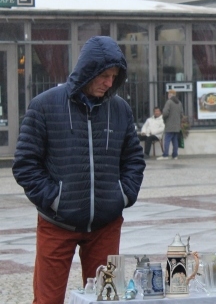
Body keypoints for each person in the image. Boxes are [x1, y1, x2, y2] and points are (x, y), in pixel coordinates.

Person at [12, 36, 146, 304]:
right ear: (88, 71)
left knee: (108, 299)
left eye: (114, 76)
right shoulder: (44, 105)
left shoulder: (120, 109)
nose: (109, 83)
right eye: (104, 75)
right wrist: (54, 199)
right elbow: (25, 164)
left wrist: (123, 195)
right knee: (47, 300)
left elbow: (133, 159)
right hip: (56, 223)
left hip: (106, 225)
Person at [158, 89, 184, 160]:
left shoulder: (169, 102)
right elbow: (182, 114)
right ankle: (175, 155)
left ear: (170, 95)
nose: (168, 95)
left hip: (169, 124)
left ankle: (165, 155)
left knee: (167, 140)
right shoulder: (179, 103)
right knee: (175, 140)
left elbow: (165, 113)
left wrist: (164, 119)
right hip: (177, 125)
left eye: (168, 94)